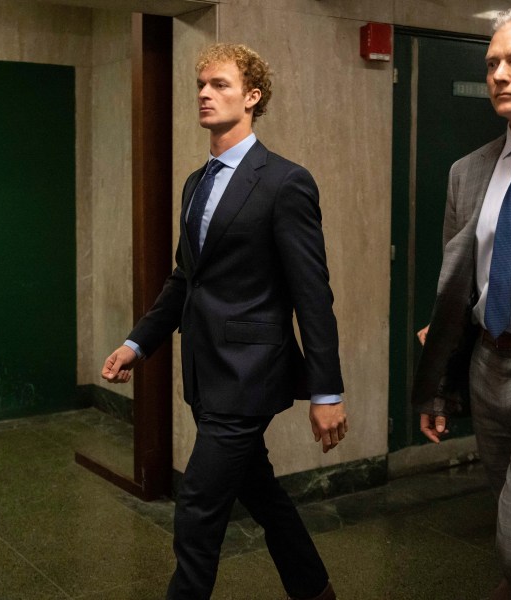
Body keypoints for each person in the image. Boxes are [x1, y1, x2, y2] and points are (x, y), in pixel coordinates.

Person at [101, 43, 347, 600]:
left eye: (220, 85)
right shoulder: (196, 183)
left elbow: (313, 295)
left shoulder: (286, 182)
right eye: (201, 86)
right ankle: (315, 590)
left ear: (253, 97)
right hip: (206, 369)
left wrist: (326, 389)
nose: (205, 95)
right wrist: (138, 343)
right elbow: (185, 279)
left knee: (198, 507)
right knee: (263, 496)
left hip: (251, 374)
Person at [412, 8, 511, 600]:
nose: (500, 75)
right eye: (492, 63)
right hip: (489, 367)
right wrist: (440, 384)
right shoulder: (469, 173)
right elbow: (457, 291)